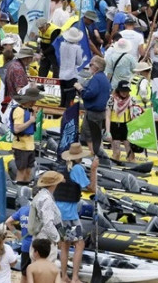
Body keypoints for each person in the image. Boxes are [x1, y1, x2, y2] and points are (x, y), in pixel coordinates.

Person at [54, 143, 98, 283]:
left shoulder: (61, 166)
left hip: (58, 212)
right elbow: (91, 188)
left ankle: (64, 276)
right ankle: (74, 278)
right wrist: (93, 170)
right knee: (79, 244)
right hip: (69, 214)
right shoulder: (77, 168)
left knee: (65, 244)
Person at [76, 56, 110, 157]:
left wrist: (80, 89)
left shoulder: (96, 78)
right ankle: (100, 154)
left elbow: (90, 93)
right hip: (101, 112)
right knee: (97, 135)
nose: (89, 67)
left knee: (89, 135)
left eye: (91, 65)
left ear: (96, 67)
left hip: (93, 112)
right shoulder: (104, 79)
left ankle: (96, 156)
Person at [9, 86, 42, 184]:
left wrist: (33, 116)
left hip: (29, 146)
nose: (35, 102)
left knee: (28, 171)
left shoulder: (29, 110)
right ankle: (19, 189)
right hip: (21, 146)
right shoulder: (19, 110)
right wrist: (30, 121)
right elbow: (17, 129)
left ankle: (26, 187)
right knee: (22, 171)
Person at [31, 171, 64, 258]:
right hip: (46, 242)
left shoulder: (40, 195)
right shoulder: (47, 199)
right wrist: (57, 238)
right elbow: (48, 223)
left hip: (38, 237)